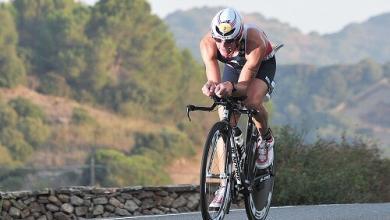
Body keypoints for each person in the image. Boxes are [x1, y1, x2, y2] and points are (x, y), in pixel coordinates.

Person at [200, 7, 279, 207]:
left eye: (230, 41)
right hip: (235, 67)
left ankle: (266, 139)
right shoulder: (207, 44)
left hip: (260, 66)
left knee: (250, 101)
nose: (224, 46)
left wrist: (231, 87)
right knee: (224, 111)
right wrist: (212, 87)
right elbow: (214, 79)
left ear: (239, 34)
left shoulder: (253, 40)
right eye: (220, 40)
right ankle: (223, 185)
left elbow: (243, 87)